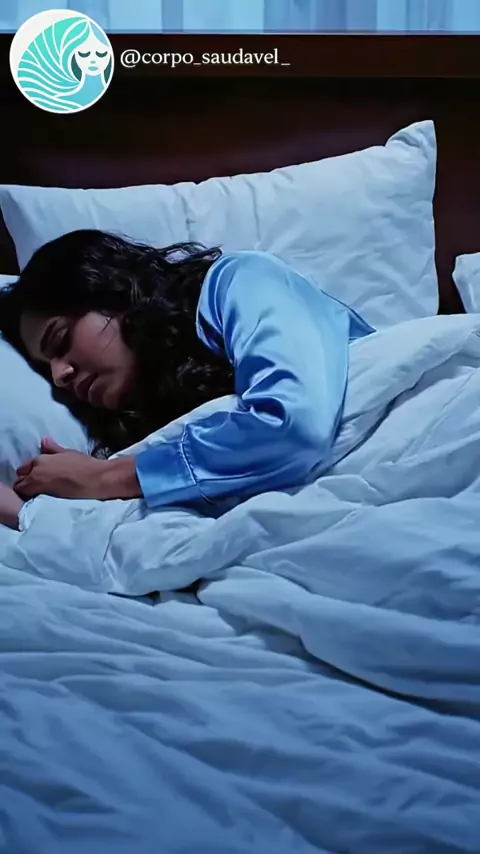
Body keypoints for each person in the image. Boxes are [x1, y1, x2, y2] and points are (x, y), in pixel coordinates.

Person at [0, 230, 374, 531]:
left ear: (113, 292)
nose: (59, 376)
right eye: (46, 368)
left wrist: (106, 477)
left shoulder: (241, 279)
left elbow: (295, 424)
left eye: (61, 341)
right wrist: (28, 514)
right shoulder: (151, 433)